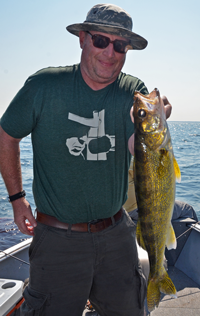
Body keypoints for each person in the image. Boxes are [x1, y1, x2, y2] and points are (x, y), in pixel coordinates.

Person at [0, 4, 172, 316]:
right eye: (101, 41)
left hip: (117, 236)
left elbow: (140, 146)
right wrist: (16, 198)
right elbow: (6, 135)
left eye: (120, 45)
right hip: (56, 240)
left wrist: (151, 121)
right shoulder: (43, 87)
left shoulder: (132, 90)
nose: (110, 52)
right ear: (82, 39)